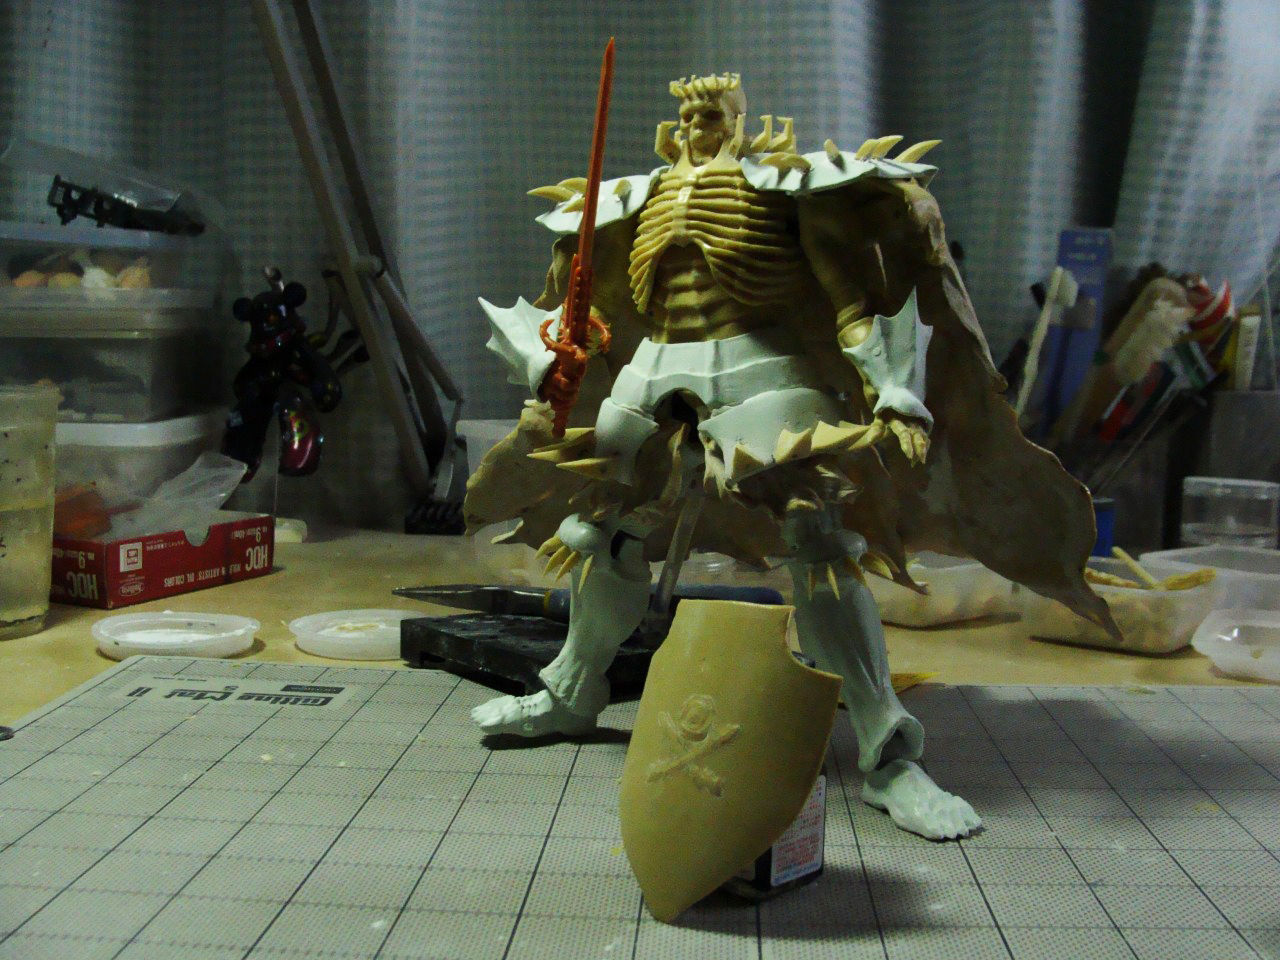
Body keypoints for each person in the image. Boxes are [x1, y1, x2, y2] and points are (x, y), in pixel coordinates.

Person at [465, 74, 1114, 840]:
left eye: (715, 113)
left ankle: (888, 755)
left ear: (740, 121)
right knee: (604, 534)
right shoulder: (632, 201)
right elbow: (594, 313)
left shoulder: (785, 191)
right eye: (690, 114)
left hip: (763, 371)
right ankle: (573, 694)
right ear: (675, 125)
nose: (700, 124)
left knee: (819, 545)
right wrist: (551, 362)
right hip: (651, 374)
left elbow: (851, 303)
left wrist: (894, 393)